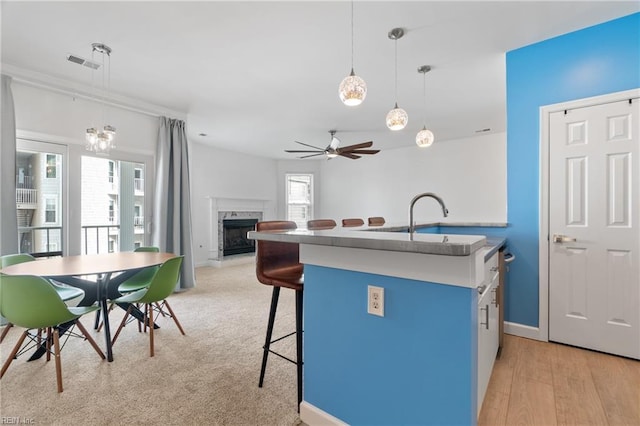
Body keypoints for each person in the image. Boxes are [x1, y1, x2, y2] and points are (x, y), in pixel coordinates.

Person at [27, 269, 157, 361]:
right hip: (45, 302)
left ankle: (44, 347)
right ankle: (147, 321)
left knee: (101, 290)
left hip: (28, 310)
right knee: (100, 290)